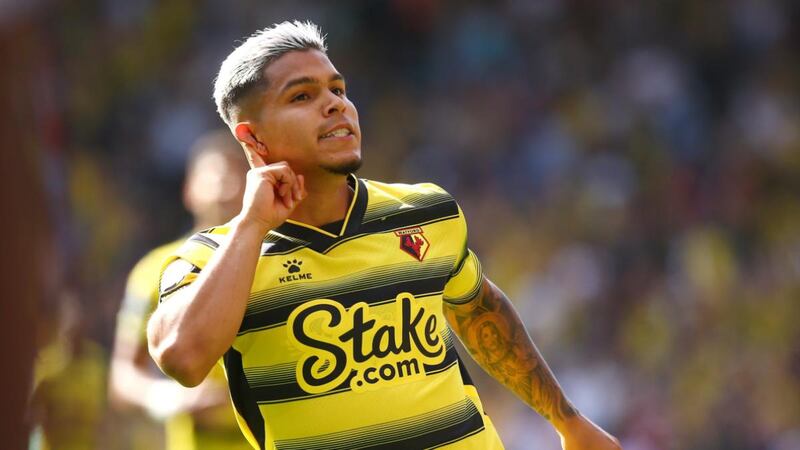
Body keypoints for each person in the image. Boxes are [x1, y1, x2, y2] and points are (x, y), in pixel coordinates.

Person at [147, 21, 622, 450]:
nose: (335, 103)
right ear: (252, 139)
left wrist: (567, 421)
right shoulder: (214, 257)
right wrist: (252, 225)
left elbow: (479, 309)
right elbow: (182, 359)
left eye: (338, 88)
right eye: (302, 96)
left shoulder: (426, 210)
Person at [110, 130, 252, 450]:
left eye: (237, 175)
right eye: (215, 174)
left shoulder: (280, 260)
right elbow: (122, 377)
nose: (226, 185)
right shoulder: (155, 269)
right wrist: (165, 397)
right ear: (189, 190)